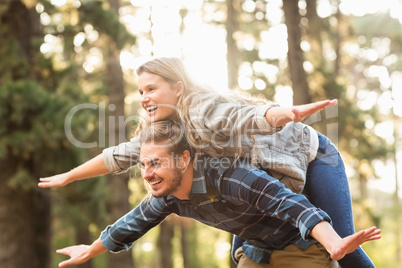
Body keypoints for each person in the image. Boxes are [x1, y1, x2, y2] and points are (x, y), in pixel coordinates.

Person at [39, 57, 372, 267]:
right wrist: (69, 176)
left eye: (152, 88)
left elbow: (245, 116)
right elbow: (119, 157)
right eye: (140, 91)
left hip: (309, 156)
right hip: (245, 182)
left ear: (179, 89)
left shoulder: (201, 109)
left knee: (341, 241)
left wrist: (284, 114)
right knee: (244, 250)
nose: (144, 98)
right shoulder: (163, 135)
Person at [54, 121, 381, 268]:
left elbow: (289, 203)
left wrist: (335, 242)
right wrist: (89, 250)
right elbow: (129, 226)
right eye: (143, 165)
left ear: (184, 160)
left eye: (155, 163)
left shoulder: (229, 177)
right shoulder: (166, 196)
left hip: (301, 239)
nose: (147, 173)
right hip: (258, 249)